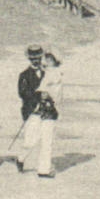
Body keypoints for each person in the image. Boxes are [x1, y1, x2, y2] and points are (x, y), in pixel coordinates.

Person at [13, 44, 64, 177]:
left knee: (47, 141)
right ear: (29, 59)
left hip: (49, 111)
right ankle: (20, 158)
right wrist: (38, 95)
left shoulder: (49, 72)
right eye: (32, 58)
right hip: (33, 112)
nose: (35, 60)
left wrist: (52, 99)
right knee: (30, 142)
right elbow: (22, 93)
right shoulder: (24, 75)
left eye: (38, 58)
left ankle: (43, 170)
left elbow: (57, 90)